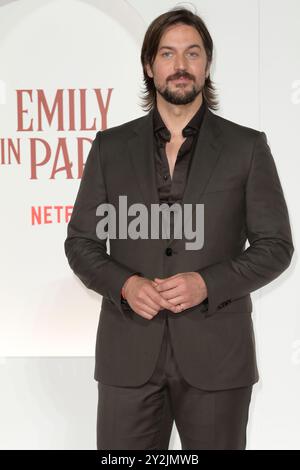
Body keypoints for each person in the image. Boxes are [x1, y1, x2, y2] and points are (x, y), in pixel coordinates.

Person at [64, 7, 294, 450]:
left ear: (207, 64)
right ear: (150, 67)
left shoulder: (247, 147)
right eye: (167, 54)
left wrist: (208, 283)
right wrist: (126, 285)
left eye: (192, 53)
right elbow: (81, 244)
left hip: (218, 358)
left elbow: (275, 246)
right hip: (128, 356)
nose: (180, 65)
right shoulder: (110, 149)